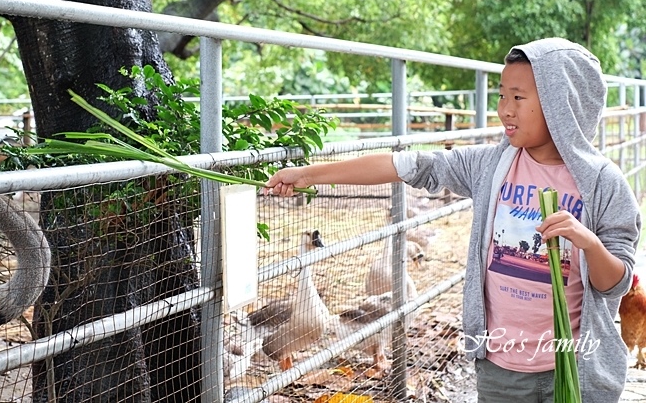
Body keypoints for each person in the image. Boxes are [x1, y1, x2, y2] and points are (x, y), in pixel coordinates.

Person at [263, 38, 641, 403]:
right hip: (501, 369)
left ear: (563, 104)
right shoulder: (491, 166)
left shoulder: (603, 185)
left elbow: (616, 284)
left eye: (518, 98)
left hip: (575, 365)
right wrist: (309, 175)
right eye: (501, 96)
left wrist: (588, 243)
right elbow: (406, 164)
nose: (504, 109)